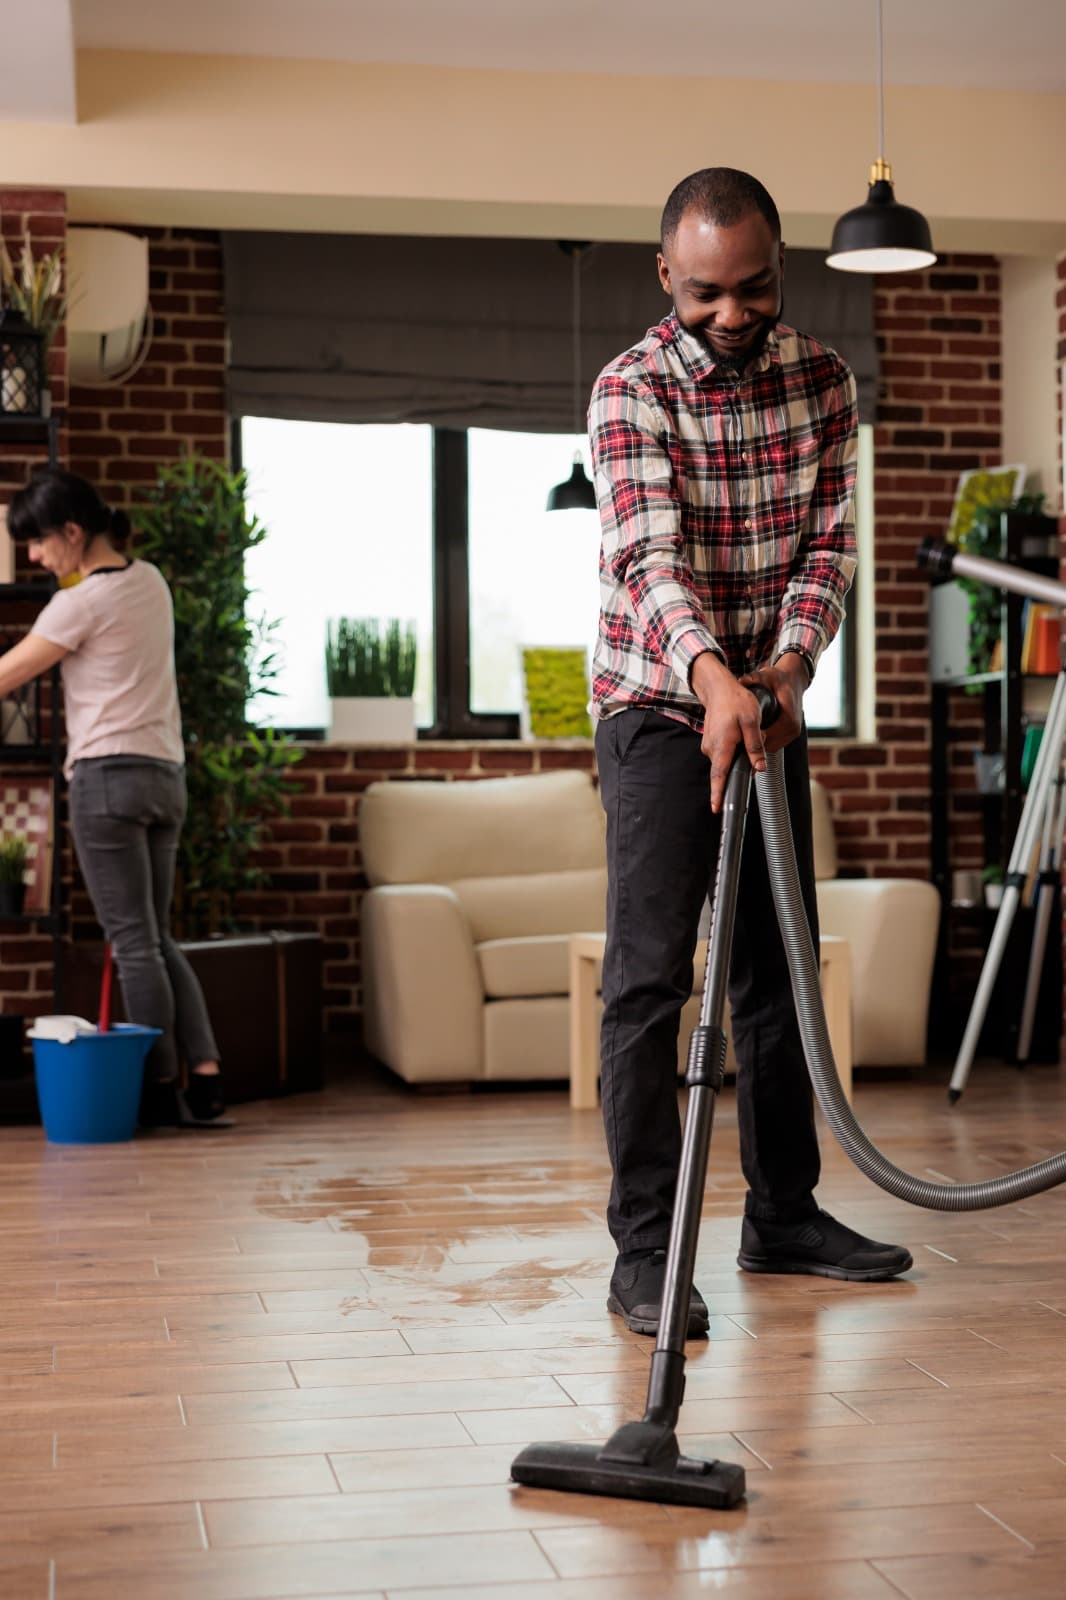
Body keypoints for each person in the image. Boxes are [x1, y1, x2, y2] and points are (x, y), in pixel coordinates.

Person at [590, 167, 911, 1337]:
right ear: (666, 275)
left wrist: (786, 669)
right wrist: (714, 679)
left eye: (756, 288)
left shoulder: (824, 379)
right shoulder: (627, 389)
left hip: (768, 695)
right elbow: (648, 560)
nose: (732, 314)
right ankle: (645, 1253)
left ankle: (782, 1214)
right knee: (647, 982)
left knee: (775, 970)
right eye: (707, 293)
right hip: (657, 701)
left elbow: (829, 547)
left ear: (781, 267)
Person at [1, 467, 229, 1129]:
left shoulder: (79, 603)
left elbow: (12, 672)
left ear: (73, 532)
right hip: (164, 776)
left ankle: (155, 1090)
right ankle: (207, 1079)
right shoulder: (150, 580)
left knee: (131, 943)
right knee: (155, 937)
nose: (36, 557)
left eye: (40, 543)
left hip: (108, 778)